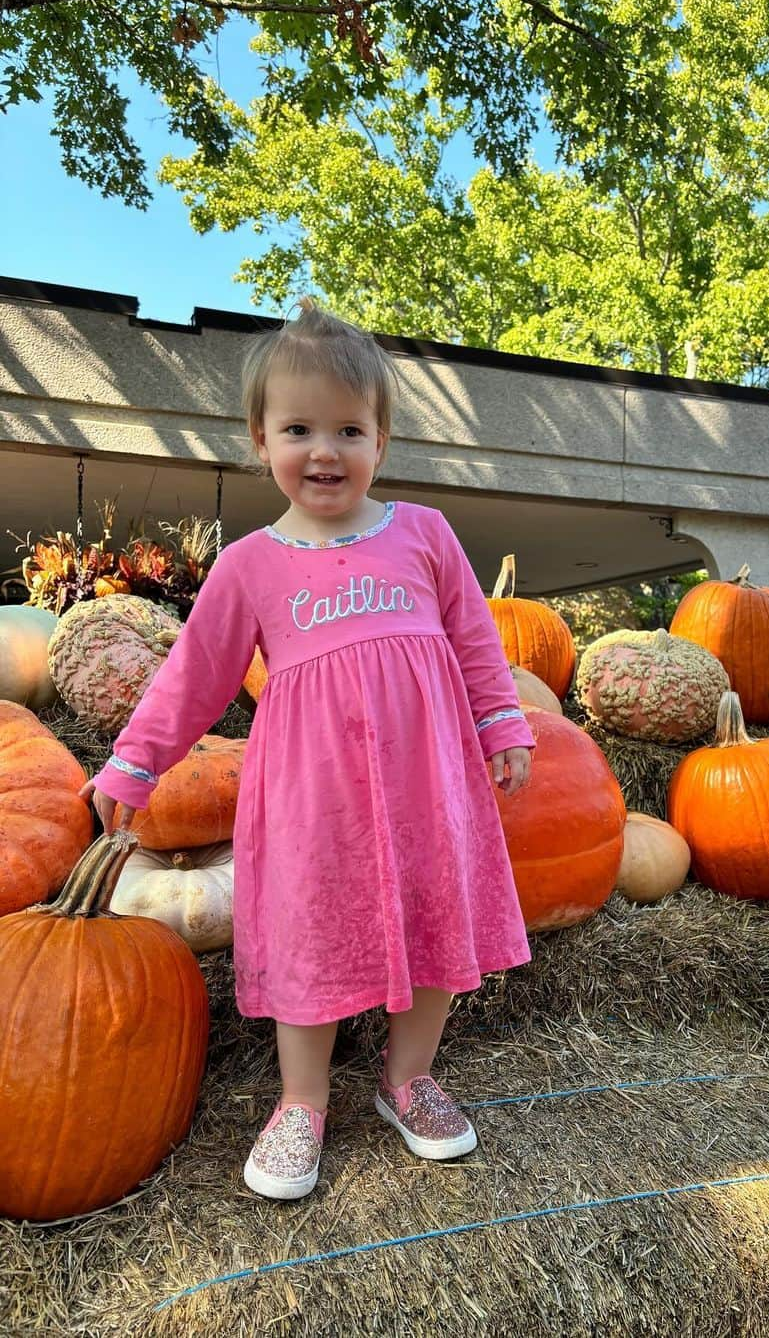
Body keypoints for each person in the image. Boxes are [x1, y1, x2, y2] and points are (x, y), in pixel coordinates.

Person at [82, 302, 534, 1201]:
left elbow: (477, 642)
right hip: (310, 796)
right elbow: (194, 677)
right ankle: (303, 1100)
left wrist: (503, 724)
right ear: (260, 440)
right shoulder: (250, 563)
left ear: (382, 441)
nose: (323, 450)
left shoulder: (424, 535)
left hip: (426, 784)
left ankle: (408, 1078)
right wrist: (136, 763)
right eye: (298, 429)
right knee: (310, 934)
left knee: (437, 915)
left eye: (348, 430)